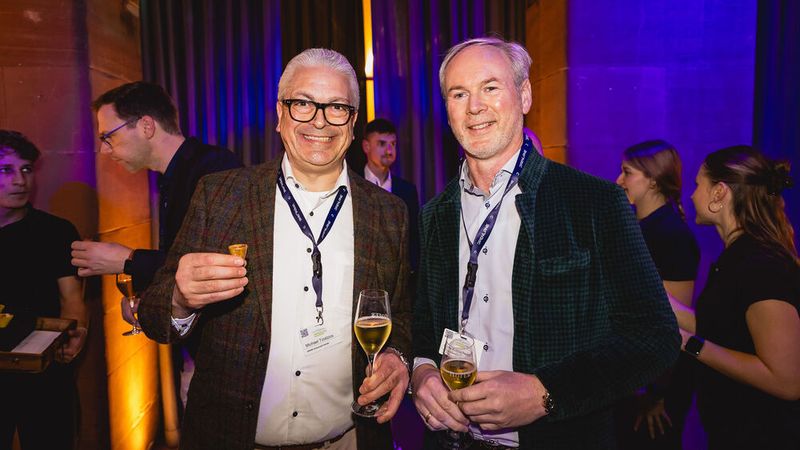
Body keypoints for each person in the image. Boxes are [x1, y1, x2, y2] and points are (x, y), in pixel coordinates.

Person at [411, 36, 680, 449]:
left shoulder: (592, 203)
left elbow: (655, 336)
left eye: (490, 88)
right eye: (458, 93)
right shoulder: (434, 215)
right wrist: (424, 371)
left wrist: (545, 392)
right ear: (446, 110)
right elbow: (425, 326)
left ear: (524, 95)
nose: (474, 106)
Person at [138, 48, 411, 450]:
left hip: (349, 440)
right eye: (303, 103)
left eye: (336, 107)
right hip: (232, 438)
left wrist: (398, 358)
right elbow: (155, 316)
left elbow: (401, 312)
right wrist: (179, 298)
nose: (319, 120)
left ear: (352, 123)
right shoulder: (221, 196)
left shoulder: (390, 214)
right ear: (280, 115)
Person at [69, 81, 242, 409]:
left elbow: (218, 264)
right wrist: (150, 297)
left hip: (222, 362)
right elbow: (180, 261)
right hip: (197, 353)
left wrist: (128, 260)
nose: (105, 149)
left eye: (109, 136)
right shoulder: (173, 177)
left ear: (146, 125)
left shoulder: (215, 168)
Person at [669, 146, 800, 450]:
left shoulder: (760, 265)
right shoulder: (739, 257)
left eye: (698, 184)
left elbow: (786, 379)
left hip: (763, 435)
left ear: (719, 193)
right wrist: (659, 300)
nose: (691, 195)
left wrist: (690, 344)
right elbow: (725, 329)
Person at [0, 130, 88, 449]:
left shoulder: (55, 231)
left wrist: (76, 331)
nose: (20, 180)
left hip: (44, 374)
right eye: (5, 170)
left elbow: (72, 299)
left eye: (25, 169)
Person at [614, 140, 700, 449]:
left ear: (652, 178)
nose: (618, 180)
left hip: (657, 387)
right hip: (635, 377)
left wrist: (657, 394)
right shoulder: (641, 228)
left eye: (627, 172)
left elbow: (675, 326)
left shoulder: (670, 235)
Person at [361, 118, 420, 270]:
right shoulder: (350, 184)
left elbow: (414, 239)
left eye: (393, 144)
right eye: (382, 144)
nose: (389, 150)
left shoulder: (407, 190)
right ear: (366, 146)